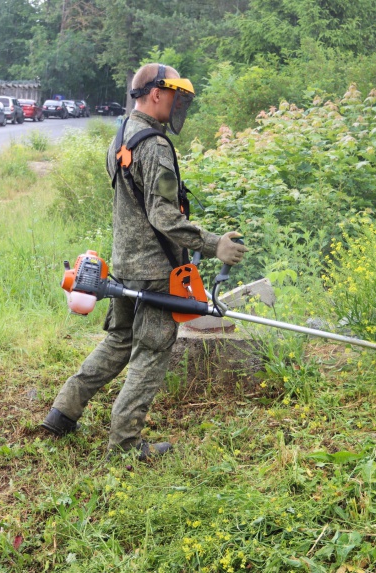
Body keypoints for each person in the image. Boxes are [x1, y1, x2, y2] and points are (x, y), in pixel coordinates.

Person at [41, 63, 248, 460]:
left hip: (125, 264)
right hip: (154, 271)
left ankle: (64, 409)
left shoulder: (122, 135)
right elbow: (163, 216)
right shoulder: (154, 145)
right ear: (156, 93)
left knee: (120, 340)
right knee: (151, 352)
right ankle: (125, 443)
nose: (177, 105)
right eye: (175, 96)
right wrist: (212, 244)